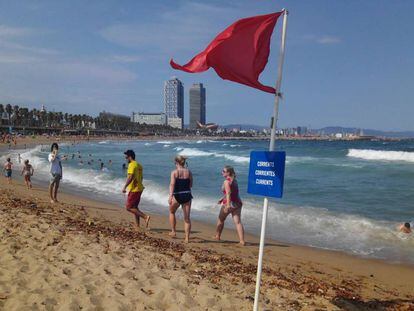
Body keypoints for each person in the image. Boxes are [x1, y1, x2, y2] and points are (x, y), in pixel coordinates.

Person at [214, 165, 245, 246]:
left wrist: (227, 205)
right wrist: (222, 198)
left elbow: (228, 193)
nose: (222, 172)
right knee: (238, 222)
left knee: (221, 220)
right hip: (237, 203)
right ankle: (242, 241)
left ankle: (217, 236)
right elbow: (232, 193)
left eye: (224, 171)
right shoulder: (234, 180)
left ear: (228, 173)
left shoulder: (226, 181)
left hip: (229, 203)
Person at [122, 150, 150, 230]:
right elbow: (141, 177)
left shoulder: (131, 165)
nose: (125, 158)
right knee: (135, 207)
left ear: (130, 156)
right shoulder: (139, 165)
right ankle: (137, 225)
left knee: (128, 207)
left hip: (134, 189)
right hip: (140, 188)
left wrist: (125, 187)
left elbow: (130, 177)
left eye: (126, 156)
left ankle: (145, 217)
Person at [168, 155, 193, 243]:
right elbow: (191, 185)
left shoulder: (174, 172)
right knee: (187, 218)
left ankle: (173, 231)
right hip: (187, 195)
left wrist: (170, 196)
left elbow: (172, 184)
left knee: (171, 211)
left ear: (177, 163)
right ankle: (187, 238)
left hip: (177, 195)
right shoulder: (189, 172)